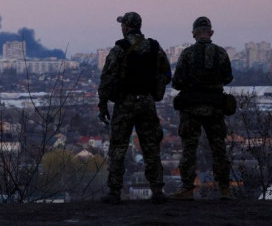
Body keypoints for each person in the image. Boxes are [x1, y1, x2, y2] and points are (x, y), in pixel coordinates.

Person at [97, 11, 172, 204]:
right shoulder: (154, 47)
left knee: (119, 147)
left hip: (125, 103)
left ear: (127, 27)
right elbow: (166, 73)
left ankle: (114, 192)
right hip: (147, 103)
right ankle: (157, 190)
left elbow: (107, 77)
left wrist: (103, 104)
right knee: (151, 146)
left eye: (123, 25)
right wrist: (157, 92)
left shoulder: (120, 48)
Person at [170, 16, 234, 200]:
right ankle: (224, 189)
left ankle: (188, 188)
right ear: (211, 33)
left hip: (191, 109)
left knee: (189, 148)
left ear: (194, 33)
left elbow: (177, 82)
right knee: (218, 148)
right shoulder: (221, 53)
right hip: (215, 107)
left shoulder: (188, 54)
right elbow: (228, 78)